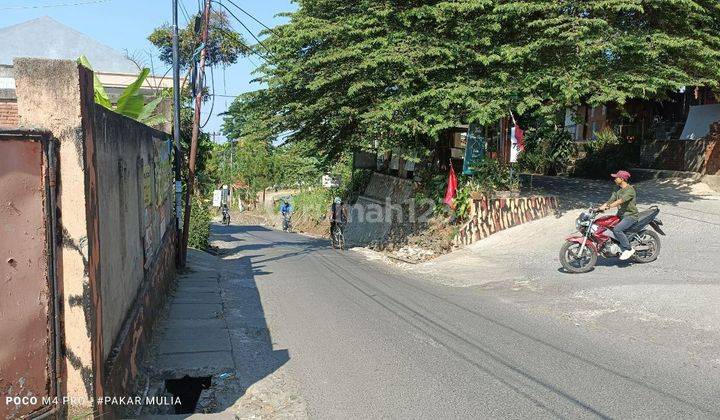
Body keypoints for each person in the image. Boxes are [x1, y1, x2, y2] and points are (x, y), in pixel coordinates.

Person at [598, 170, 639, 261]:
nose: (614, 179)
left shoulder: (630, 190)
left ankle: (629, 249)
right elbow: (611, 200)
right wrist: (599, 208)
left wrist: (607, 207)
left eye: (616, 177)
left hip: (630, 216)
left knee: (617, 229)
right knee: (607, 226)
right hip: (620, 215)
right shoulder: (617, 189)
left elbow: (620, 201)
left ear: (622, 179)